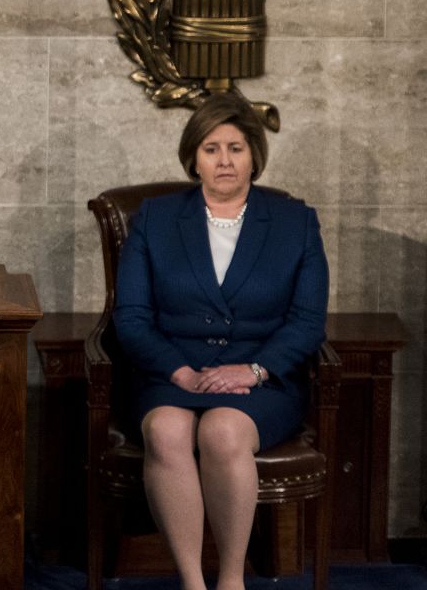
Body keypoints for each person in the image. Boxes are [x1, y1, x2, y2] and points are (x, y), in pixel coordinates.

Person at [113, 91, 328, 590]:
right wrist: (181, 372)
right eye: (211, 149)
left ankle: (231, 580)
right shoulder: (155, 219)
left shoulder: (297, 223)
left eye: (236, 147)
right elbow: (132, 317)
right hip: (172, 372)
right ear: (194, 158)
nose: (225, 161)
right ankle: (193, 582)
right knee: (166, 432)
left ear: (255, 154)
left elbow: (306, 321)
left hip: (263, 379)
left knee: (223, 433)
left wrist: (253, 370)